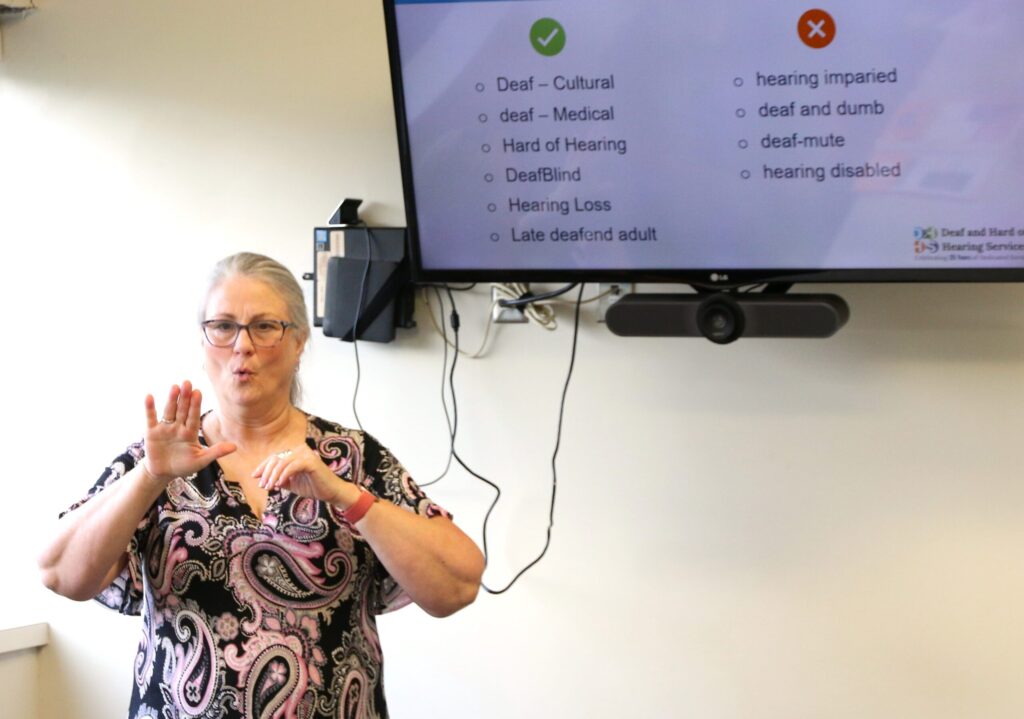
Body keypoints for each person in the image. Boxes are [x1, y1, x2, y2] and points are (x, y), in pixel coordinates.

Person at [38, 252, 485, 719]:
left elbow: (457, 583)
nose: (241, 346)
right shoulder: (156, 457)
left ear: (299, 344)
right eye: (224, 326)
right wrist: (149, 478)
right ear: (203, 340)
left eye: (265, 326)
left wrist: (345, 496)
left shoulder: (350, 457)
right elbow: (58, 573)